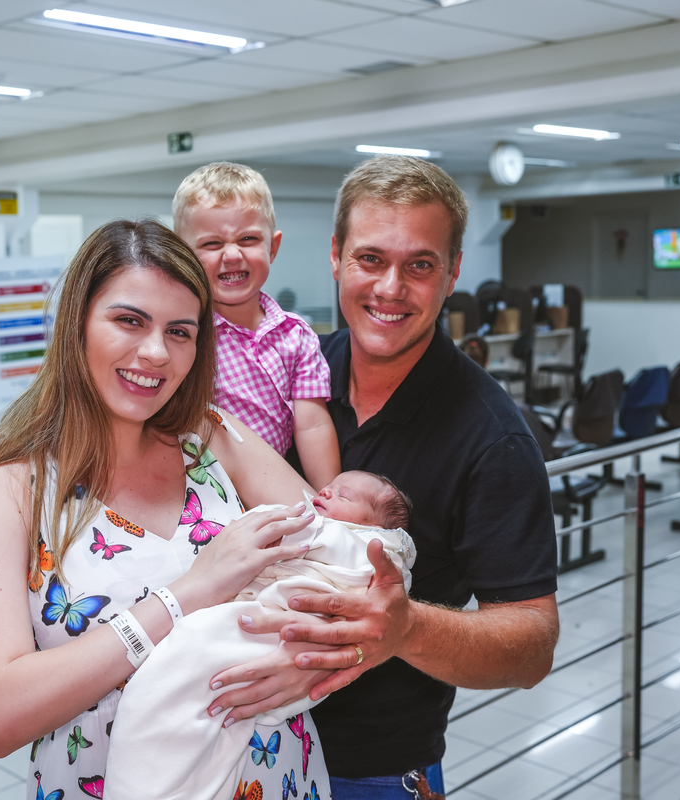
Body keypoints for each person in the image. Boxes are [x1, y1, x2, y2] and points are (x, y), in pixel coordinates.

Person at [205, 157, 561, 800]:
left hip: (367, 772)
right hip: (226, 742)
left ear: (453, 272)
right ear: (336, 257)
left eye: (420, 265)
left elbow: (532, 646)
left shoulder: (493, 439)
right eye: (370, 259)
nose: (390, 288)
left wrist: (406, 629)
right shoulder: (292, 368)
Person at [0, 219, 335, 800]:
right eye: (129, 320)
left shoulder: (213, 438)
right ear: (77, 323)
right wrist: (185, 595)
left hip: (274, 776)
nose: (156, 353)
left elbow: (345, 564)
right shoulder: (8, 491)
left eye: (180, 331)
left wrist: (310, 660)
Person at [105, 471, 416, 800]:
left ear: (374, 527)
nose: (325, 492)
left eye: (343, 495)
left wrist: (269, 517)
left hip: (274, 634)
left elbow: (288, 533)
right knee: (220, 725)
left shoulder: (358, 545)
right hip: (281, 638)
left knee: (180, 672)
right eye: (329, 487)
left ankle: (141, 787)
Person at [174, 162, 340, 489]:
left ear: (272, 247)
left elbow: (313, 427)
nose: (232, 255)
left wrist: (328, 501)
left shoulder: (297, 336)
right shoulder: (183, 333)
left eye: (248, 239)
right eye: (212, 244)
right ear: (183, 254)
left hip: (274, 486)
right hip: (199, 488)